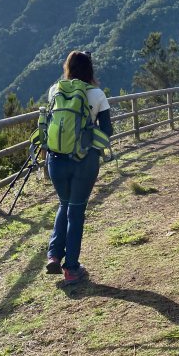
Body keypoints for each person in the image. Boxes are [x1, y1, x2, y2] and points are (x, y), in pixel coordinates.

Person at [45, 50, 113, 285]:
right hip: (83, 162)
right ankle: (71, 268)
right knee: (76, 211)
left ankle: (54, 254)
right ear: (90, 69)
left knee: (64, 205)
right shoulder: (97, 94)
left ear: (68, 67)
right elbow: (107, 131)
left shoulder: (55, 90)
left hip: (55, 159)